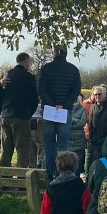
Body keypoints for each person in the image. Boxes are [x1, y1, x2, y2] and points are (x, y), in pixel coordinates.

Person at [37, 46, 82, 180]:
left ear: (55, 53)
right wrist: (64, 104)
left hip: (49, 111)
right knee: (62, 145)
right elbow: (76, 90)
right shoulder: (73, 69)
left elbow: (41, 88)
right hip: (65, 110)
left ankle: (49, 176)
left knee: (49, 145)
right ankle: (61, 175)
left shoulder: (46, 68)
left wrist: (51, 104)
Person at [0, 52, 38, 167]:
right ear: (26, 61)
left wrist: (2, 110)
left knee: (5, 149)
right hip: (21, 115)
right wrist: (29, 113)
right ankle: (21, 180)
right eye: (29, 62)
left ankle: (2, 179)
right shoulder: (29, 77)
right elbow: (34, 99)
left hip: (5, 115)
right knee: (22, 150)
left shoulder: (6, 75)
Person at [69, 94, 88, 176]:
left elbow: (83, 123)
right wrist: (74, 120)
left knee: (72, 165)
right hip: (73, 140)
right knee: (76, 165)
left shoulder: (82, 109)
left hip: (77, 141)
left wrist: (68, 124)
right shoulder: (67, 109)